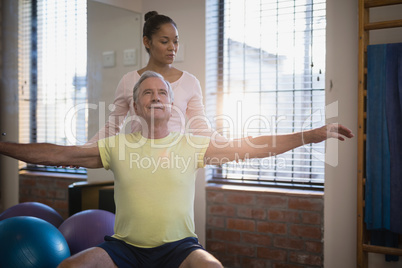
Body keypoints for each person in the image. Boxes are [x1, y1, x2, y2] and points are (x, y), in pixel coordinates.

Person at [0, 71, 354, 268]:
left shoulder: (191, 144)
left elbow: (254, 145)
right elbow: (57, 154)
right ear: (136, 105)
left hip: (179, 248)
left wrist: (310, 135)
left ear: (171, 105)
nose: (156, 97)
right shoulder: (116, 146)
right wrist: (3, 146)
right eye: (148, 93)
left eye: (163, 93)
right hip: (124, 247)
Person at [88, 11, 222, 143]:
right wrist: (80, 151)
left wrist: (234, 147)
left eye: (175, 41)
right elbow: (112, 128)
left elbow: (201, 129)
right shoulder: (129, 81)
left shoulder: (190, 82)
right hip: (139, 157)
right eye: (164, 42)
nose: (172, 47)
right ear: (147, 42)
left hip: (176, 158)